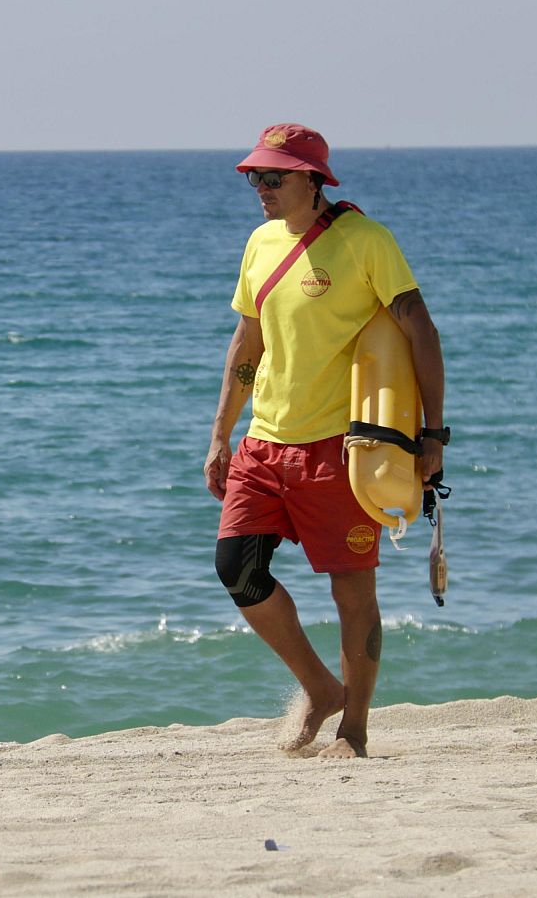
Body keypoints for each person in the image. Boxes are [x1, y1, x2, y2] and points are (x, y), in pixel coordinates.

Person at [204, 123, 446, 759]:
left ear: (312, 181)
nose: (261, 188)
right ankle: (319, 687)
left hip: (339, 448)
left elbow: (420, 330)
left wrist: (431, 435)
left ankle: (355, 729)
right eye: (255, 177)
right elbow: (247, 344)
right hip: (265, 442)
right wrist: (221, 434)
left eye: (273, 177)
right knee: (236, 568)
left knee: (352, 591)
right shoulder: (260, 243)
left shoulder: (366, 241)